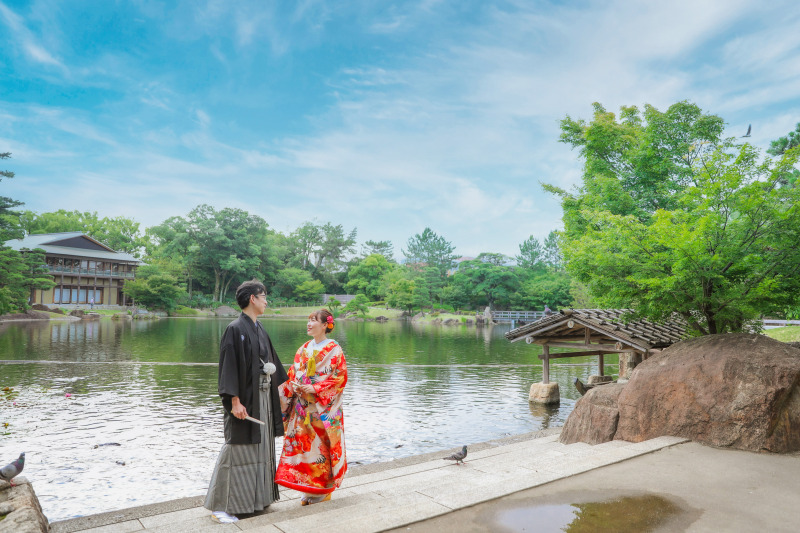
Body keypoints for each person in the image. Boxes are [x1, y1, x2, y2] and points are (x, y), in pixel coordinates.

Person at [204, 280, 288, 523]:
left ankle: (256, 501)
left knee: (261, 449)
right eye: (263, 296)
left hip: (263, 397)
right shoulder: (235, 329)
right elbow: (228, 367)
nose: (266, 300)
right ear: (252, 298)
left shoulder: (259, 328)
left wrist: (281, 396)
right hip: (245, 399)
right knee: (237, 449)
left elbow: (275, 365)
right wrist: (234, 401)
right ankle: (221, 507)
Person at [275, 309, 347, 505]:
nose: (309, 324)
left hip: (322, 409)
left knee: (321, 450)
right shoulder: (303, 348)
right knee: (304, 449)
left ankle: (323, 490)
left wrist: (315, 387)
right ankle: (308, 488)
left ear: (325, 325)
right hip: (302, 407)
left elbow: (339, 378)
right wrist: (293, 386)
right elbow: (293, 372)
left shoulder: (334, 349)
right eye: (308, 320)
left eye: (313, 320)